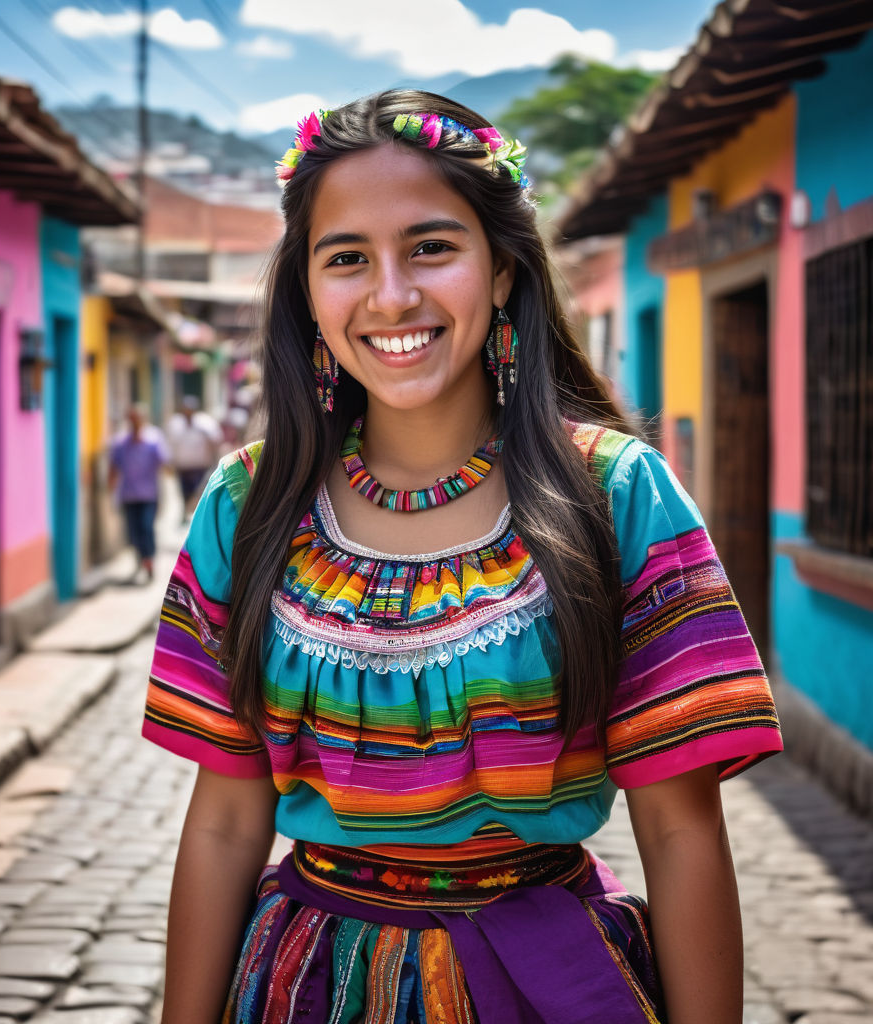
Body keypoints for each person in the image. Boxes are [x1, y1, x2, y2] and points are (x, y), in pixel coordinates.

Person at [142, 91, 783, 1024]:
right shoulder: (249, 506)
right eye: (347, 258)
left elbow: (682, 832)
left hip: (543, 985)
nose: (391, 294)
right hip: (304, 990)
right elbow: (226, 822)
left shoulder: (615, 495)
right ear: (307, 289)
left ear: (501, 271)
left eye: (432, 247)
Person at [109, 403, 168, 583]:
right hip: (129, 495)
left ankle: (148, 560)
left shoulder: (153, 439)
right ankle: (140, 557)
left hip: (148, 494)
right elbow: (114, 467)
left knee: (146, 527)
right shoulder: (120, 442)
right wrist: (110, 487)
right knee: (133, 531)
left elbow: (164, 462)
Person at [167, 395, 223, 523]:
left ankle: (198, 515)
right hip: (182, 467)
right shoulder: (175, 423)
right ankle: (185, 513)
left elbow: (216, 440)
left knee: (199, 492)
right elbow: (170, 444)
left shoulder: (206, 422)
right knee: (184, 493)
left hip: (200, 466)